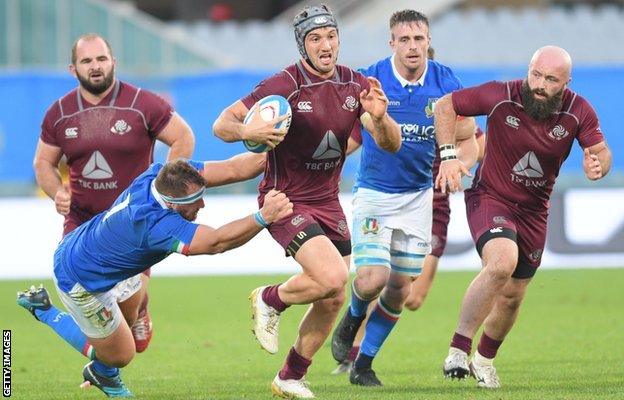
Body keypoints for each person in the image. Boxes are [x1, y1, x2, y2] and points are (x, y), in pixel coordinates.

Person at [212, 4, 401, 398]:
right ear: (303, 44)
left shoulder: (356, 85)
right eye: (315, 38)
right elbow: (222, 124)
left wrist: (380, 119)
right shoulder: (284, 84)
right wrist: (251, 128)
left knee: (333, 296)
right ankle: (269, 298)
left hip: (328, 202)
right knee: (332, 276)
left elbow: (391, 144)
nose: (326, 44)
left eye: (331, 36)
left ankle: (290, 376)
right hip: (286, 199)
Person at [18, 154, 291, 397]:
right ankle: (45, 310)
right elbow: (216, 242)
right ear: (172, 204)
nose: (203, 205)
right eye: (196, 201)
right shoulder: (156, 225)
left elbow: (232, 169)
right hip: (81, 279)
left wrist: (281, 153)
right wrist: (263, 216)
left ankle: (109, 350)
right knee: (122, 354)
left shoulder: (161, 174)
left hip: (102, 253)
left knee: (131, 324)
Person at [435, 45, 612, 388]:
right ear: (527, 70)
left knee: (514, 295)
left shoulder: (579, 111)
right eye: (535, 74)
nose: (540, 85)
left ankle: (484, 361)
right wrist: (447, 156)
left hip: (534, 212)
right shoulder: (501, 95)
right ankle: (458, 349)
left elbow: (601, 152)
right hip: (490, 197)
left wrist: (598, 166)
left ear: (566, 83)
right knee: (501, 262)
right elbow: (446, 106)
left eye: (550, 79)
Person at [329, 10, 480, 386]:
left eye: (419, 39)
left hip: (418, 198)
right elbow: (374, 137)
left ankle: (363, 365)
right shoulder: (372, 81)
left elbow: (469, 138)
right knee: (371, 280)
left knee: (400, 291)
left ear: (428, 41)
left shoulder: (446, 82)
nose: (413, 47)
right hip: (376, 194)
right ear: (392, 43)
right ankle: (353, 315)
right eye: (405, 40)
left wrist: (456, 165)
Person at [33, 33, 195, 353]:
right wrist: (56, 192)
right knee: (94, 312)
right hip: (82, 222)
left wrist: (162, 190)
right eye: (87, 61)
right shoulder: (59, 113)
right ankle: (103, 366)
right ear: (73, 68)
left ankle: (136, 309)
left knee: (124, 320)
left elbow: (183, 137)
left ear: (113, 62)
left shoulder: (142, 103)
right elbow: (43, 163)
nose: (95, 66)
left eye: (101, 59)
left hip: (133, 222)